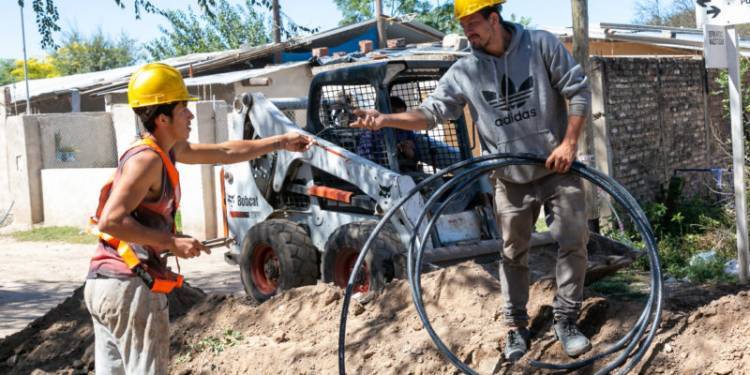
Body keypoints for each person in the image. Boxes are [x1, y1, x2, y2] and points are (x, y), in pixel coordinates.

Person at [351, 0, 592, 361]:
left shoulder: (541, 45)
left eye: (472, 24)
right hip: (510, 177)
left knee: (574, 242)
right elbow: (430, 114)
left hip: (557, 166)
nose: (468, 32)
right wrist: (386, 120)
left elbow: (578, 91)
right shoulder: (465, 70)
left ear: (494, 18)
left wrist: (570, 142)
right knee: (512, 253)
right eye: (463, 26)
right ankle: (515, 326)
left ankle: (567, 319)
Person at [84, 62, 311, 374]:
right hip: (129, 287)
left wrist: (279, 143)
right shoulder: (147, 160)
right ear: (162, 118)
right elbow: (111, 221)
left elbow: (224, 151)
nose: (191, 115)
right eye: (183, 109)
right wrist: (170, 242)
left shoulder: (163, 151)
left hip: (106, 283)